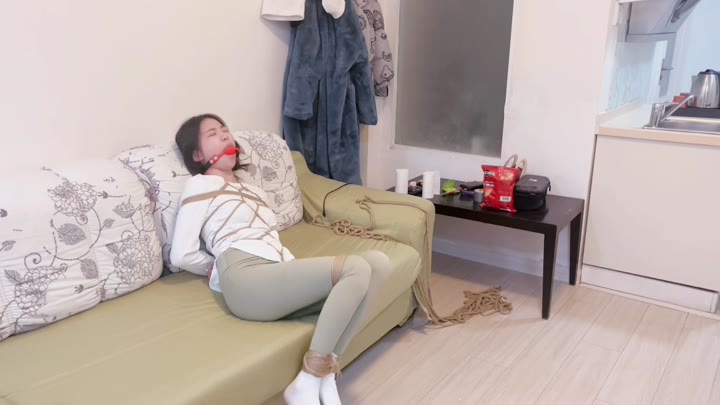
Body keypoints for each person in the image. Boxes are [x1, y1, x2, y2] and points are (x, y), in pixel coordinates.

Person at [171, 114, 390, 405]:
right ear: (198, 155)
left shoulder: (254, 191)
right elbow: (181, 253)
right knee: (355, 267)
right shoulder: (200, 185)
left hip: (275, 273)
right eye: (212, 134)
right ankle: (310, 379)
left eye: (225, 129)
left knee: (379, 264)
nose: (224, 135)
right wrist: (214, 267)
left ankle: (322, 374)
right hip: (244, 278)